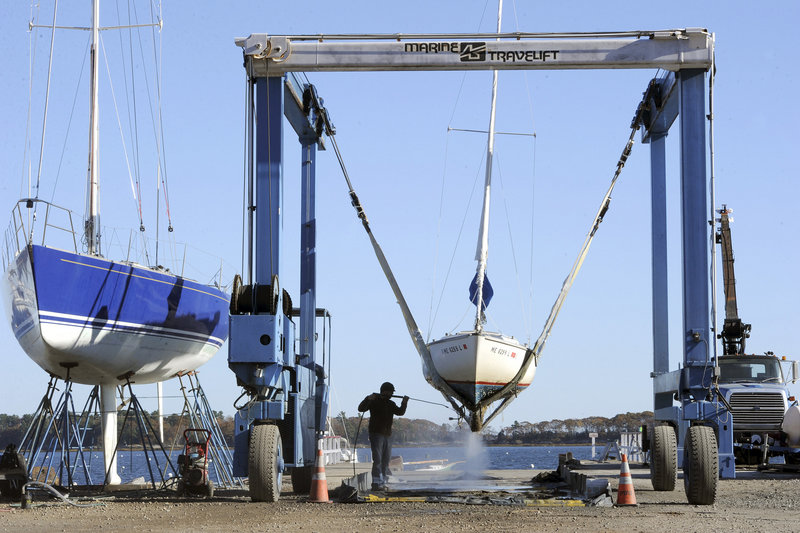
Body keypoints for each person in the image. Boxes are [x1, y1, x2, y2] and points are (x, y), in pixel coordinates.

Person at [358, 382, 408, 491]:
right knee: (378, 459)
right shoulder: (374, 401)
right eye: (390, 392)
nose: (391, 394)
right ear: (385, 391)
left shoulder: (391, 403)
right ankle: (376, 483)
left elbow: (400, 412)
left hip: (387, 435)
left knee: (386, 460)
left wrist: (404, 403)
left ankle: (384, 481)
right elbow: (361, 408)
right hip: (376, 434)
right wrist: (368, 398)